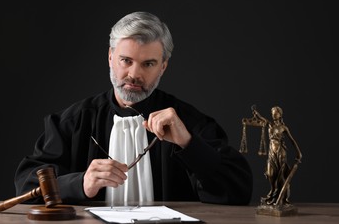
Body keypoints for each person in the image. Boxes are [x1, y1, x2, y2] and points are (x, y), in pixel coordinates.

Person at [14, 11, 253, 206]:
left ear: (163, 67)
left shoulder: (191, 123)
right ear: (110, 57)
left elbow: (239, 191)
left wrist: (189, 144)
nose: (134, 74)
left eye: (148, 64)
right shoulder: (71, 122)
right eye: (126, 60)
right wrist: (80, 184)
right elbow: (25, 184)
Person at [252, 106, 302, 205]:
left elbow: (292, 141)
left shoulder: (284, 128)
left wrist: (299, 152)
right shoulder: (270, 124)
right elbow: (261, 118)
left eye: (275, 112)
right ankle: (273, 191)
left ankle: (281, 198)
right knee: (270, 173)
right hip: (271, 152)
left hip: (281, 152)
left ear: (280, 114)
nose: (273, 114)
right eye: (272, 113)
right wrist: (256, 113)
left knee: (280, 175)